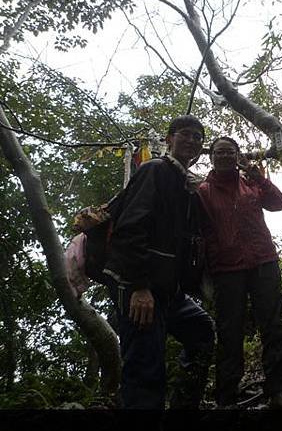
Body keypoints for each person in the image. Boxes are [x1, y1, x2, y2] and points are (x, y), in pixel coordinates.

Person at [103, 115, 215, 409]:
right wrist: (139, 287)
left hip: (168, 291)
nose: (192, 140)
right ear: (169, 139)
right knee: (145, 371)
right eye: (185, 134)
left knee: (202, 332)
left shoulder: (186, 184)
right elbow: (130, 229)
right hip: (139, 288)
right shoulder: (155, 170)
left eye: (198, 137)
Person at [198, 136, 282, 409]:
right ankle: (226, 398)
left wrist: (260, 177)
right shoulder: (203, 191)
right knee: (230, 332)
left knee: (274, 326)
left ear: (238, 156)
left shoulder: (251, 183)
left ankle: (279, 390)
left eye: (230, 152)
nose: (225, 157)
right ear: (212, 157)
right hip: (227, 270)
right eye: (219, 152)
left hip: (263, 262)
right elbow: (198, 230)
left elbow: (280, 203)